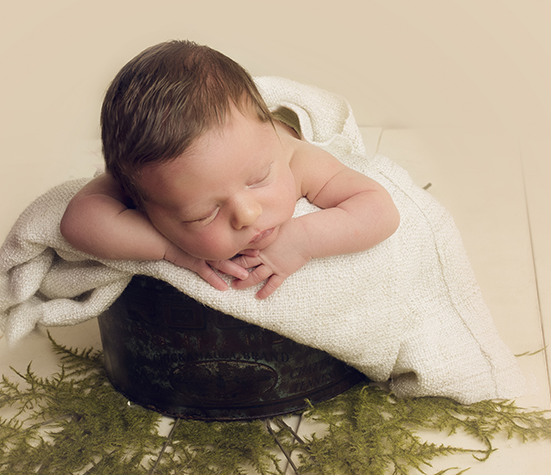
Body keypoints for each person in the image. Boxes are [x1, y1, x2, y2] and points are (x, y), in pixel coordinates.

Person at [60, 40, 400, 300]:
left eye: (259, 180)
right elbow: (78, 223)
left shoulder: (295, 158)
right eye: (203, 214)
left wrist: (301, 240)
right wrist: (170, 250)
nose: (248, 214)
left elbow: (378, 208)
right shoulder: (159, 172)